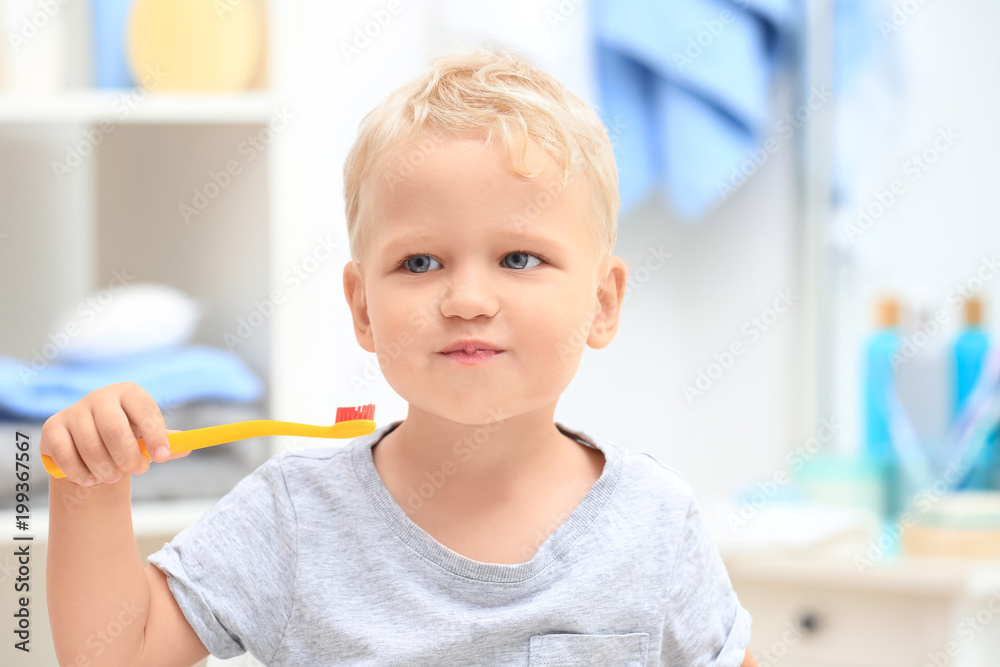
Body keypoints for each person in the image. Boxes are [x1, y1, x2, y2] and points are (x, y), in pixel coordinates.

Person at [44, 47, 758, 666]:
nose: (468, 298)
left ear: (602, 302)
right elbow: (114, 652)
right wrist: (90, 487)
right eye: (420, 262)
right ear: (362, 307)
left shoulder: (654, 522)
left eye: (518, 257)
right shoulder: (294, 518)